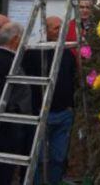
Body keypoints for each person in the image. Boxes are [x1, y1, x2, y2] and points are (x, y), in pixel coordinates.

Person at [25, 16, 76, 185]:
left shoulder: (67, 53)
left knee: (58, 157)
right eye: (55, 28)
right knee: (38, 158)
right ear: (45, 30)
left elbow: (73, 79)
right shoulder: (34, 52)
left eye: (62, 27)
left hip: (63, 113)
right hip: (41, 113)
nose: (60, 31)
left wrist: (70, 107)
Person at [0, 21, 33, 185]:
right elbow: (14, 94)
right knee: (2, 170)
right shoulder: (10, 62)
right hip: (9, 125)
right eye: (24, 38)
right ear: (16, 40)